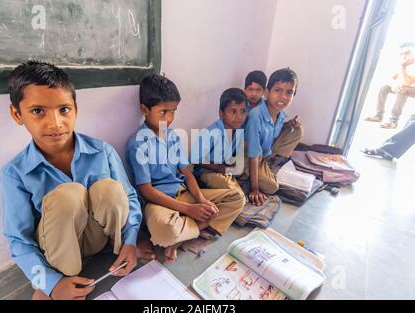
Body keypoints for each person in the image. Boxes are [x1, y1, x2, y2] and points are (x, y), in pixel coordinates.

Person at [0, 61, 154, 300]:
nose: (55, 123)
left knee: (110, 190)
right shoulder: (15, 173)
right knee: (67, 196)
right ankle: (55, 283)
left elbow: (130, 197)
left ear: (75, 109)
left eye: (64, 109)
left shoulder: (102, 151)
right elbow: (19, 240)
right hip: (58, 253)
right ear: (17, 114)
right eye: (38, 111)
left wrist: (131, 241)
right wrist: (49, 284)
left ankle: (120, 250)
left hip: (102, 241)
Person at [126, 74, 244, 263]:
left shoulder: (172, 137)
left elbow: (186, 172)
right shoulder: (137, 144)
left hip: (183, 192)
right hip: (158, 202)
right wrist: (188, 209)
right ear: (144, 109)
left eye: (173, 111)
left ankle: (185, 233)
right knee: (166, 232)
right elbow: (146, 190)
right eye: (163, 112)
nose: (170, 118)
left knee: (237, 198)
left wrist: (201, 199)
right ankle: (195, 228)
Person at [243, 68, 303, 206]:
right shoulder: (256, 115)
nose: (283, 97)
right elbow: (252, 155)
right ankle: (248, 178)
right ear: (267, 92)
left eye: (289, 92)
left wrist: (289, 125)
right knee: (272, 187)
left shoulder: (280, 114)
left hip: (265, 154)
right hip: (249, 158)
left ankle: (269, 168)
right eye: (278, 90)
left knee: (297, 130)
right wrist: (255, 189)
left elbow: (273, 132)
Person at [192, 88, 248, 203]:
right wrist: (218, 168)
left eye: (242, 111)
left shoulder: (238, 131)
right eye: (233, 111)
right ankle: (233, 191)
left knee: (248, 164)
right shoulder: (211, 132)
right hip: (206, 172)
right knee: (229, 187)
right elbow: (195, 159)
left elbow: (234, 155)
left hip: (223, 167)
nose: (239, 117)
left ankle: (235, 188)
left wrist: (232, 166)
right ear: (221, 113)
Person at [365, 42, 415, 129]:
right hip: (408, 87)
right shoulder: (403, 65)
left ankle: (393, 121)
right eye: (401, 54)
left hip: (410, 88)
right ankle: (379, 115)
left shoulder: (405, 65)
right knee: (385, 88)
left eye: (407, 53)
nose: (404, 56)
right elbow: (392, 79)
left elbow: (407, 82)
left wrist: (402, 66)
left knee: (403, 89)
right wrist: (394, 85)